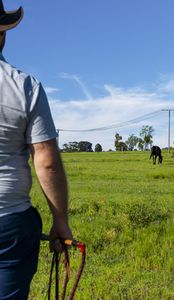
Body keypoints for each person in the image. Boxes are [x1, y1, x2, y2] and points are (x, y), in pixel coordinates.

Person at [0, 1, 73, 298]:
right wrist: (60, 221)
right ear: (3, 32)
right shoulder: (25, 87)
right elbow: (47, 163)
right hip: (9, 223)